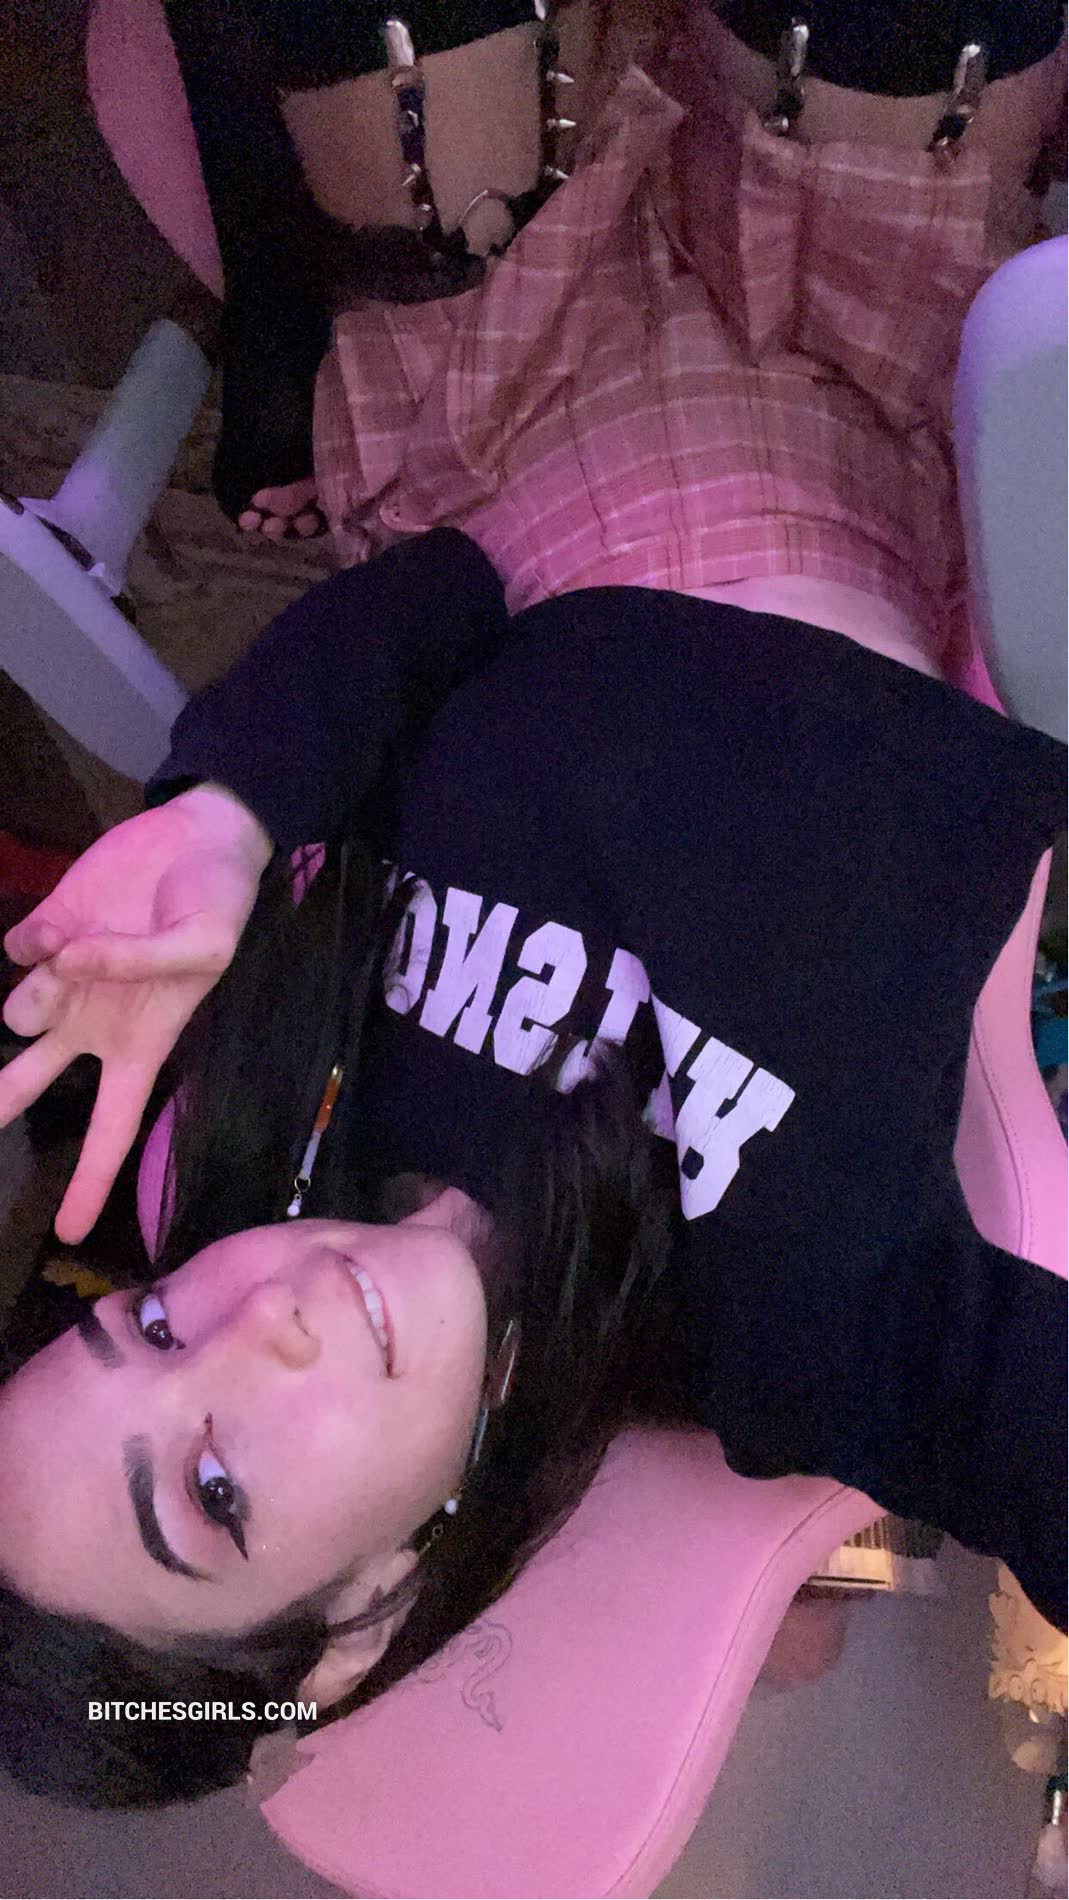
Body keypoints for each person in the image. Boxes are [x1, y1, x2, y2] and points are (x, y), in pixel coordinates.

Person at [0, 0, 1065, 1810]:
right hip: (866, 423)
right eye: (216, 1490)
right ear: (353, 1624)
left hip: (509, 408)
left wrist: (226, 814)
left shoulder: (290, 1091)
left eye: (154, 1328)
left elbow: (427, 610)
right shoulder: (797, 1339)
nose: (251, 1325)